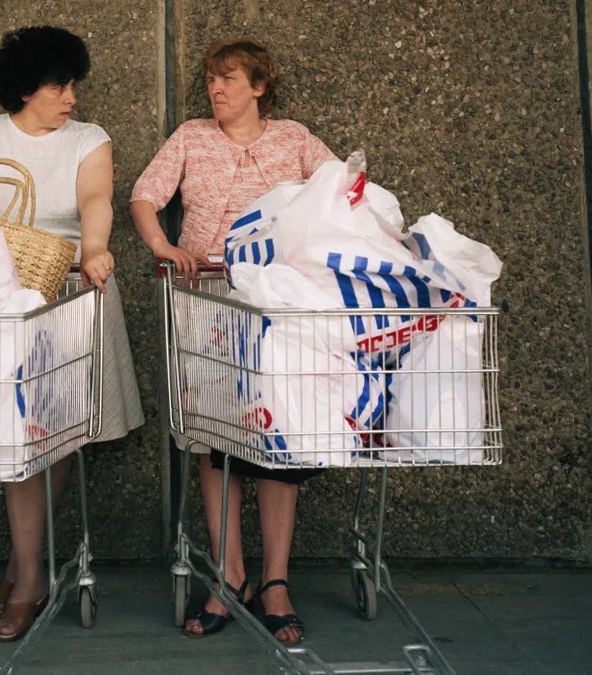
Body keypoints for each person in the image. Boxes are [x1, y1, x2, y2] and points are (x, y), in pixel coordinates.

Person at [0, 25, 144, 642]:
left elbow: (96, 197)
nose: (71, 96)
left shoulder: (88, 139)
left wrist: (94, 248)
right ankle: (30, 570)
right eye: (59, 84)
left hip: (69, 292)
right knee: (15, 438)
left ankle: (26, 568)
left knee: (55, 436)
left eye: (74, 84)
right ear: (24, 87)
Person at [130, 38, 337, 646]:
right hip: (207, 300)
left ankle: (275, 582)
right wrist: (164, 247)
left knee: (280, 436)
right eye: (210, 80)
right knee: (214, 438)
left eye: (227, 79)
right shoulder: (192, 137)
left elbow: (343, 192)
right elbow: (145, 195)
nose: (216, 90)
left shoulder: (295, 138)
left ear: (258, 85)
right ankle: (229, 575)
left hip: (279, 305)